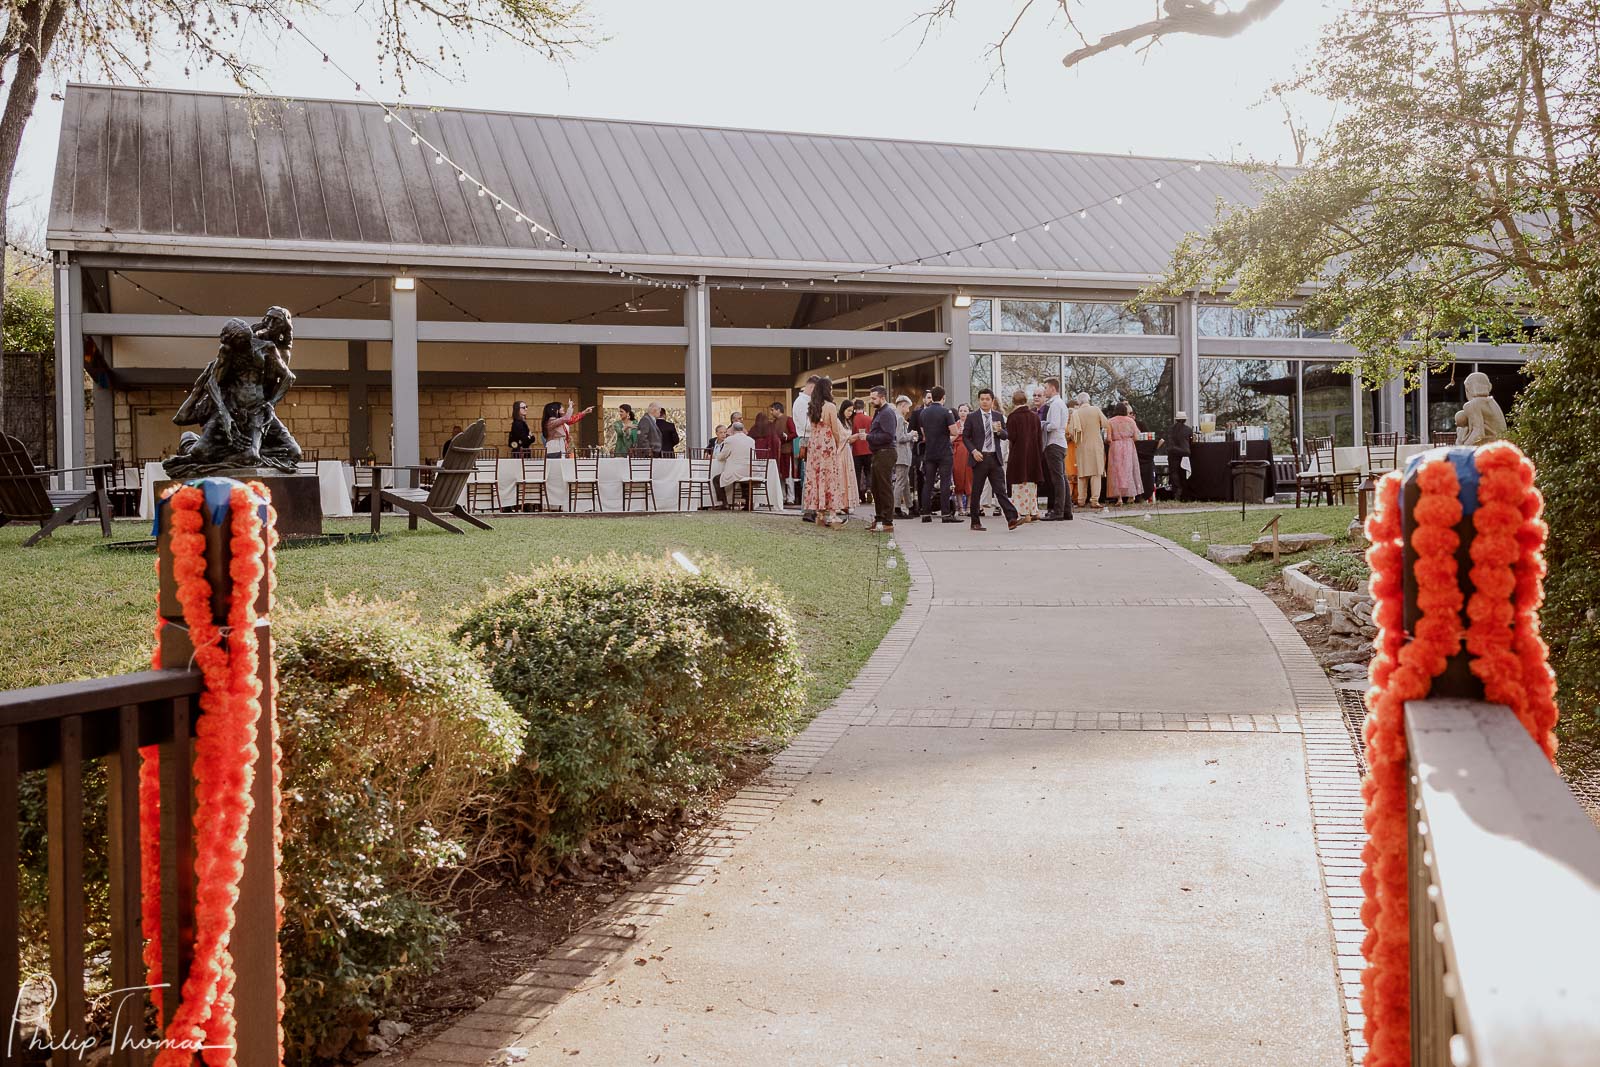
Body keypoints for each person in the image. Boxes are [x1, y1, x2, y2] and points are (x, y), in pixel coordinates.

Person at [963, 389, 1021, 531]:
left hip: (994, 458)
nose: (984, 401)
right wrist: (973, 451)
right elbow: (965, 437)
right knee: (976, 491)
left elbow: (1006, 435)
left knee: (1000, 490)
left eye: (987, 399)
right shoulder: (972, 417)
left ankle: (1012, 518)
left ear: (992, 401)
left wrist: (1000, 431)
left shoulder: (998, 416)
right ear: (979, 401)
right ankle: (975, 522)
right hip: (980, 458)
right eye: (982, 399)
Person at [801, 376, 854, 527]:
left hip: (814, 443)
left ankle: (819, 514)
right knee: (830, 477)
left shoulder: (812, 406)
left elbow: (812, 426)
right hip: (826, 442)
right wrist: (837, 443)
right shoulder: (830, 406)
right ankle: (832, 515)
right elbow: (834, 428)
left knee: (816, 477)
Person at [916, 386, 960, 523]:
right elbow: (954, 432)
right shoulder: (946, 412)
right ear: (943, 397)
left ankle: (925, 514)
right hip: (944, 452)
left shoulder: (923, 413)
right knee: (945, 482)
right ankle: (946, 514)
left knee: (928, 483)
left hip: (929, 452)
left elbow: (924, 434)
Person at [1005, 389, 1045, 522]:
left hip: (1018, 455)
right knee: (1031, 484)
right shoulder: (1034, 416)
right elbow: (1039, 438)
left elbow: (1011, 437)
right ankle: (1033, 511)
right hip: (1033, 455)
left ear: (1013, 401)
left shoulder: (1013, 417)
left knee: (1019, 484)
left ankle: (1023, 512)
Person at [865, 387, 900, 532]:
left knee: (884, 487)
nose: (872, 401)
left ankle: (887, 521)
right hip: (879, 453)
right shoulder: (880, 412)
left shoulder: (886, 413)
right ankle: (880, 518)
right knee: (876, 487)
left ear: (882, 397)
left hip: (885, 452)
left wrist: (868, 437)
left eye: (874, 398)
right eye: (871, 398)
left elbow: (888, 435)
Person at [1040, 379, 1073, 521]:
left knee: (1057, 479)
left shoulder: (1055, 405)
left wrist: (1042, 425)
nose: (1044, 391)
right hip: (1060, 443)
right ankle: (1066, 510)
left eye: (1046, 388)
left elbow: (1054, 425)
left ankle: (1059, 511)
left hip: (1054, 443)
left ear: (1053, 389)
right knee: (1062, 478)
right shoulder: (1059, 404)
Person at [1070, 391, 1109, 510]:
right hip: (1096, 445)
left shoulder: (1075, 414)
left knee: (1082, 474)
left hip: (1081, 446)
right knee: (1096, 473)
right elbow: (1105, 423)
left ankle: (1081, 500)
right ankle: (1094, 500)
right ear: (1089, 400)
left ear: (1078, 402)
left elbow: (1072, 432)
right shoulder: (1096, 410)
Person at [712, 421, 757, 508]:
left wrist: (716, 456)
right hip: (750, 470)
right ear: (742, 429)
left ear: (732, 429)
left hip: (735, 471)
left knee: (716, 480)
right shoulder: (751, 440)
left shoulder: (730, 440)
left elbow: (722, 456)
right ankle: (748, 504)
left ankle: (724, 503)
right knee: (745, 480)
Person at [1106, 402, 1144, 505]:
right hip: (1128, 445)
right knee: (1129, 469)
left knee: (1116, 472)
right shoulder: (1131, 421)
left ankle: (1119, 498)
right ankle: (1131, 495)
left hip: (1115, 446)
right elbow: (1136, 437)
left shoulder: (1110, 421)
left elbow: (1108, 438)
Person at [794, 376, 819, 518]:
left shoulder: (806, 402)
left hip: (811, 437)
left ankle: (811, 507)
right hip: (807, 438)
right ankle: (808, 508)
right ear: (811, 387)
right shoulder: (801, 403)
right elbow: (805, 425)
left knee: (812, 474)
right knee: (809, 474)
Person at [892, 395, 917, 518]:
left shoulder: (895, 417)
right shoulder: (900, 418)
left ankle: (910, 505)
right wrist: (911, 435)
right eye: (907, 407)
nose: (908, 410)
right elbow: (900, 437)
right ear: (902, 405)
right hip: (902, 455)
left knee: (905, 481)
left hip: (901, 454)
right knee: (901, 482)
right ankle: (895, 508)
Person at [770, 401, 797, 504]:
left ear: (778, 409)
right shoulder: (774, 422)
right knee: (780, 475)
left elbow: (794, 433)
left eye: (772, 410)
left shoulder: (788, 420)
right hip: (777, 452)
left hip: (787, 451)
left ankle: (791, 498)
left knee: (788, 475)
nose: (771, 412)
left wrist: (786, 437)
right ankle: (782, 496)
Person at [1164, 410, 1194, 502]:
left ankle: (1177, 491)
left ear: (1176, 420)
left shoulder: (1170, 429)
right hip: (1185, 453)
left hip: (1173, 452)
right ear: (1185, 420)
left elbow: (1168, 441)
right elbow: (1190, 442)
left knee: (1174, 472)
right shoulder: (1188, 429)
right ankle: (1185, 494)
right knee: (1184, 473)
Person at [951, 402, 973, 514]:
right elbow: (949, 439)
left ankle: (969, 506)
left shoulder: (972, 424)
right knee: (958, 478)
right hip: (957, 452)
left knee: (969, 478)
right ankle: (960, 506)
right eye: (961, 411)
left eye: (965, 410)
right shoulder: (954, 425)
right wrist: (956, 435)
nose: (963, 413)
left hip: (969, 452)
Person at [850, 399, 872, 503]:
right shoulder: (869, 419)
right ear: (863, 407)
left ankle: (859, 495)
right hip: (868, 449)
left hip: (856, 450)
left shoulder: (852, 420)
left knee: (857, 474)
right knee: (869, 471)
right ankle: (869, 489)